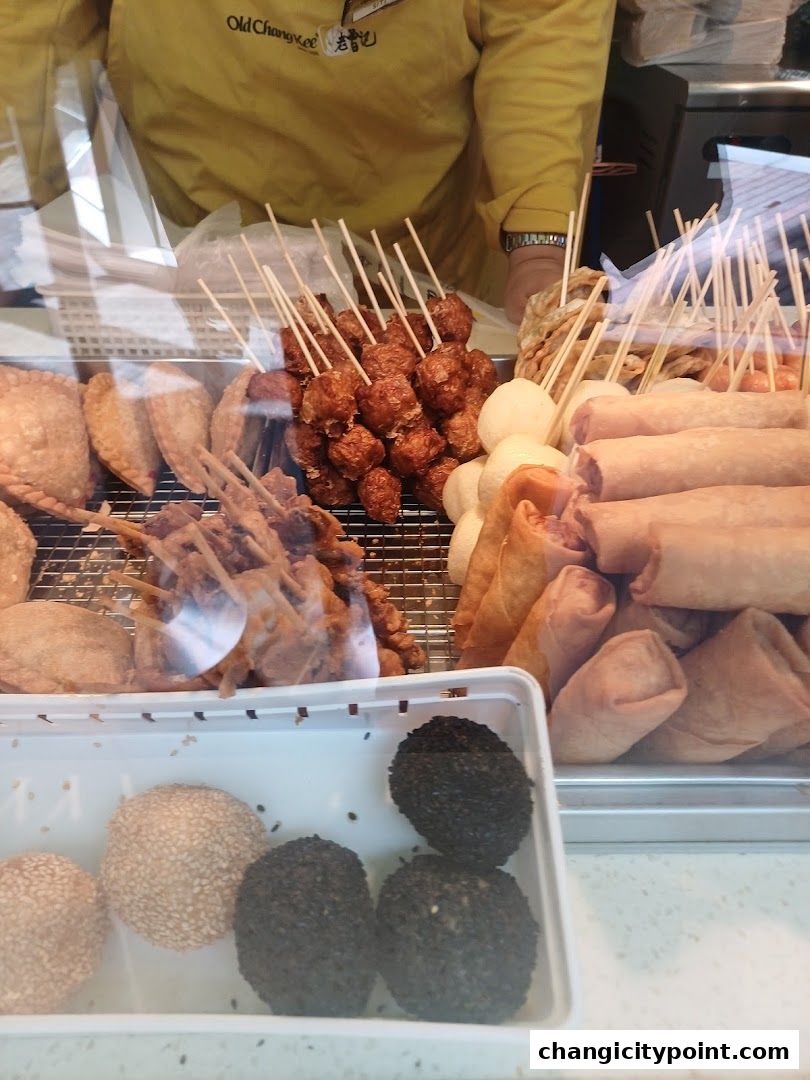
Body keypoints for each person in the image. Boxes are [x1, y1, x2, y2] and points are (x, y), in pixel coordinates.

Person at [0, 1, 615, 322]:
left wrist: (537, 239)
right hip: (195, 243)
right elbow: (32, 32)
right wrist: (8, 204)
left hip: (420, 261)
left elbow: (547, 35)